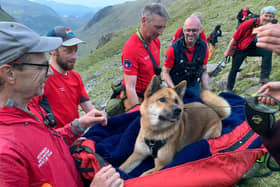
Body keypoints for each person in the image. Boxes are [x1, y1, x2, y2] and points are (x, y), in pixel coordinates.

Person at [0, 22, 123, 187]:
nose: (49, 72)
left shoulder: (30, 108)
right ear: (9, 74)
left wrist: (78, 125)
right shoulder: (5, 154)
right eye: (41, 66)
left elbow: (48, 143)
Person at [38, 26, 101, 128]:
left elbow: (89, 109)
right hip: (54, 140)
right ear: (52, 50)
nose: (74, 57)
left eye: (75, 51)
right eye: (68, 51)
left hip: (75, 136)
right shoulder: (41, 79)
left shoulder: (75, 77)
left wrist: (104, 121)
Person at [121, 3, 169, 110]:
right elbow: (130, 87)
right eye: (157, 27)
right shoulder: (131, 48)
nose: (161, 32)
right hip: (138, 97)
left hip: (152, 94)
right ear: (144, 21)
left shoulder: (155, 40)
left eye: (163, 27)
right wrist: (137, 112)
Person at [224, 6, 277, 92]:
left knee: (267, 51)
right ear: (261, 15)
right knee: (234, 69)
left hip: (251, 46)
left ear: (273, 17)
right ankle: (229, 89)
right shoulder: (249, 23)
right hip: (240, 49)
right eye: (266, 15)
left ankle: (264, 77)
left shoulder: (270, 25)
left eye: (270, 16)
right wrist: (227, 51)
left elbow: (254, 33)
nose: (268, 18)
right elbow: (235, 38)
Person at [163, 16, 209, 102]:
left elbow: (204, 70)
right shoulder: (173, 49)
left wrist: (207, 90)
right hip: (176, 86)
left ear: (200, 30)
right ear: (183, 30)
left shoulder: (204, 47)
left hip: (193, 84)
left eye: (194, 30)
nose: (191, 33)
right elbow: (165, 72)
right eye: (188, 30)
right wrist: (174, 89)